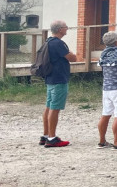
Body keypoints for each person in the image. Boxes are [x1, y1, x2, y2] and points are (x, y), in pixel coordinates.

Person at [40, 20, 78, 148]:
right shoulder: (58, 43)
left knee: (49, 106)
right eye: (65, 27)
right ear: (60, 29)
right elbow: (72, 58)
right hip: (59, 78)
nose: (67, 29)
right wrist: (73, 53)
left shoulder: (48, 41)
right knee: (55, 108)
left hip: (50, 77)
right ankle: (52, 138)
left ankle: (45, 135)